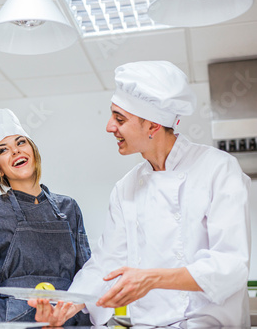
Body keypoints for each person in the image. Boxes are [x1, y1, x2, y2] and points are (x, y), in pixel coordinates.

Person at [29, 61, 251, 327]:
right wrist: (65, 307)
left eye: (120, 118)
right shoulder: (126, 187)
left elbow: (231, 265)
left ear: (153, 126)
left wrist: (152, 278)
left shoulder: (217, 168)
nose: (110, 127)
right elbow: (105, 265)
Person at [0, 108, 92, 324]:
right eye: (3, 150)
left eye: (20, 143)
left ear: (33, 151)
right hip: (14, 321)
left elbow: (88, 273)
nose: (15, 151)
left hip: (69, 319)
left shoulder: (69, 208)